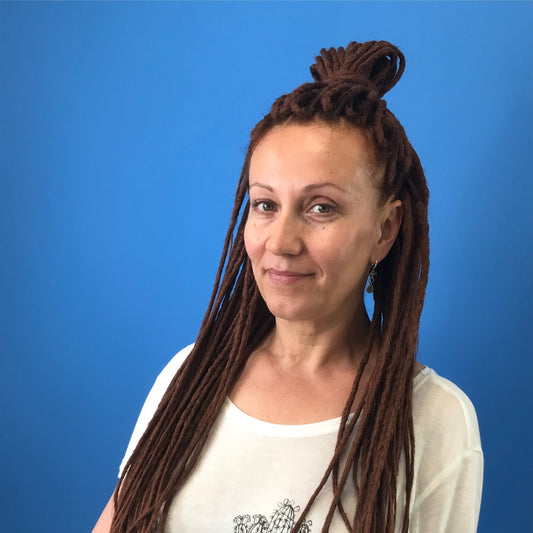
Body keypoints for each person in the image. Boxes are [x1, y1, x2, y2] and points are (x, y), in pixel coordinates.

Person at [93, 41, 483, 533]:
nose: (281, 242)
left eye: (321, 207)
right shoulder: (188, 377)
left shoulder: (434, 420)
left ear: (385, 230)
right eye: (265, 205)